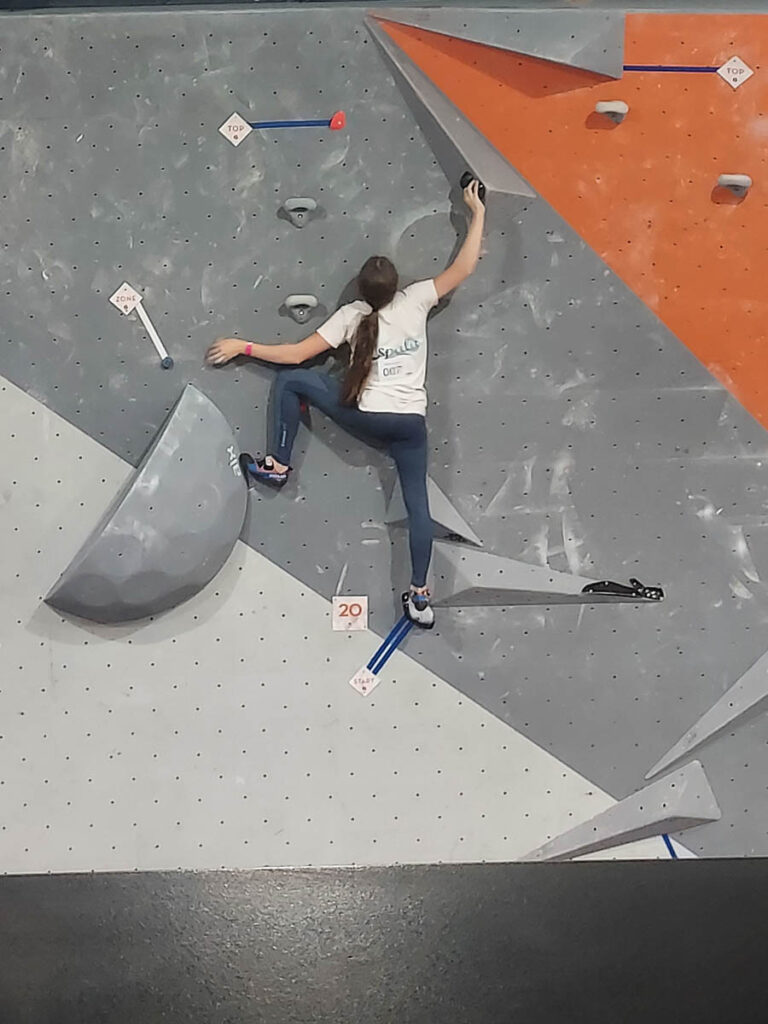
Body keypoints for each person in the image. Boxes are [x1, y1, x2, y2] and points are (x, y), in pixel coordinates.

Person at [206, 179, 486, 627]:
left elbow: (296, 355)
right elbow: (466, 265)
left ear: (360, 288)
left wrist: (244, 346)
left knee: (294, 381)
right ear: (397, 286)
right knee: (419, 506)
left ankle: (277, 466)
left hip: (369, 417)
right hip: (410, 425)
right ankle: (419, 596)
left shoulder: (351, 316)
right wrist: (477, 213)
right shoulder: (416, 300)